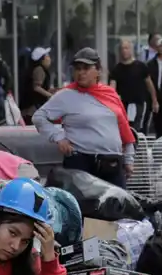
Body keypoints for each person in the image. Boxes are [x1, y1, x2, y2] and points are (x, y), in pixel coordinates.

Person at [33, 47, 137, 188]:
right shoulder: (66, 95)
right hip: (81, 163)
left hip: (112, 163)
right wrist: (58, 138)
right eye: (77, 68)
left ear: (98, 70)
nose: (81, 73)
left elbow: (124, 129)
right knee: (84, 209)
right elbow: (39, 117)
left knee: (117, 207)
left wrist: (129, 160)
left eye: (86, 68)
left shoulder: (110, 93)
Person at [109, 39, 158, 131]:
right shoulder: (116, 69)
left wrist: (154, 101)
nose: (124, 51)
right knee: (125, 127)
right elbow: (112, 87)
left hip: (139, 102)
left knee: (139, 127)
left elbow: (150, 85)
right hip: (123, 103)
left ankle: (138, 144)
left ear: (131, 50)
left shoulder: (141, 66)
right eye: (122, 48)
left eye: (127, 48)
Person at [21, 47, 55, 123]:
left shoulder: (40, 69)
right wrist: (50, 95)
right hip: (33, 110)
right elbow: (36, 87)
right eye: (47, 56)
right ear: (42, 59)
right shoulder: (39, 69)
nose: (49, 59)